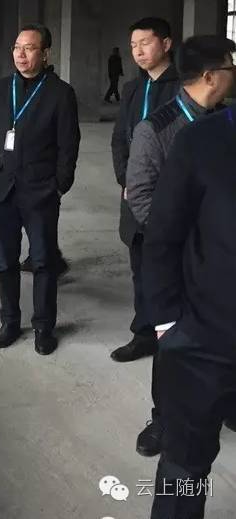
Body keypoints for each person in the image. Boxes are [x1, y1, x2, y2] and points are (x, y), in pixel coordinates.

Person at [125, 35, 236, 459]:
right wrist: (184, 240)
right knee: (173, 345)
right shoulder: (157, 128)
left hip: (215, 266)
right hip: (174, 259)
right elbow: (141, 197)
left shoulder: (223, 126)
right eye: (229, 66)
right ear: (210, 76)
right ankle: (164, 418)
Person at [143, 69, 236, 519]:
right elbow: (163, 236)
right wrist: (168, 325)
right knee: (183, 468)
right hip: (203, 342)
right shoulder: (203, 141)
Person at [0, 23, 80, 353]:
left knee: (43, 261)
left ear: (45, 53)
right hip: (0, 189)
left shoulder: (60, 93)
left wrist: (59, 185)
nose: (21, 54)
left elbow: (68, 145)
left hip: (41, 191)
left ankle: (43, 327)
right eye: (17, 48)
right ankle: (9, 321)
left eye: (30, 48)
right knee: (6, 261)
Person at [110, 17, 179, 363]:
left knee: (174, 269)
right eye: (133, 45)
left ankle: (178, 338)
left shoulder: (184, 87)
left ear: (166, 44)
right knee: (141, 269)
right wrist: (128, 181)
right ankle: (144, 333)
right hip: (135, 198)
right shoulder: (132, 90)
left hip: (172, 198)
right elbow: (119, 140)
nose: (138, 51)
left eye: (146, 43)